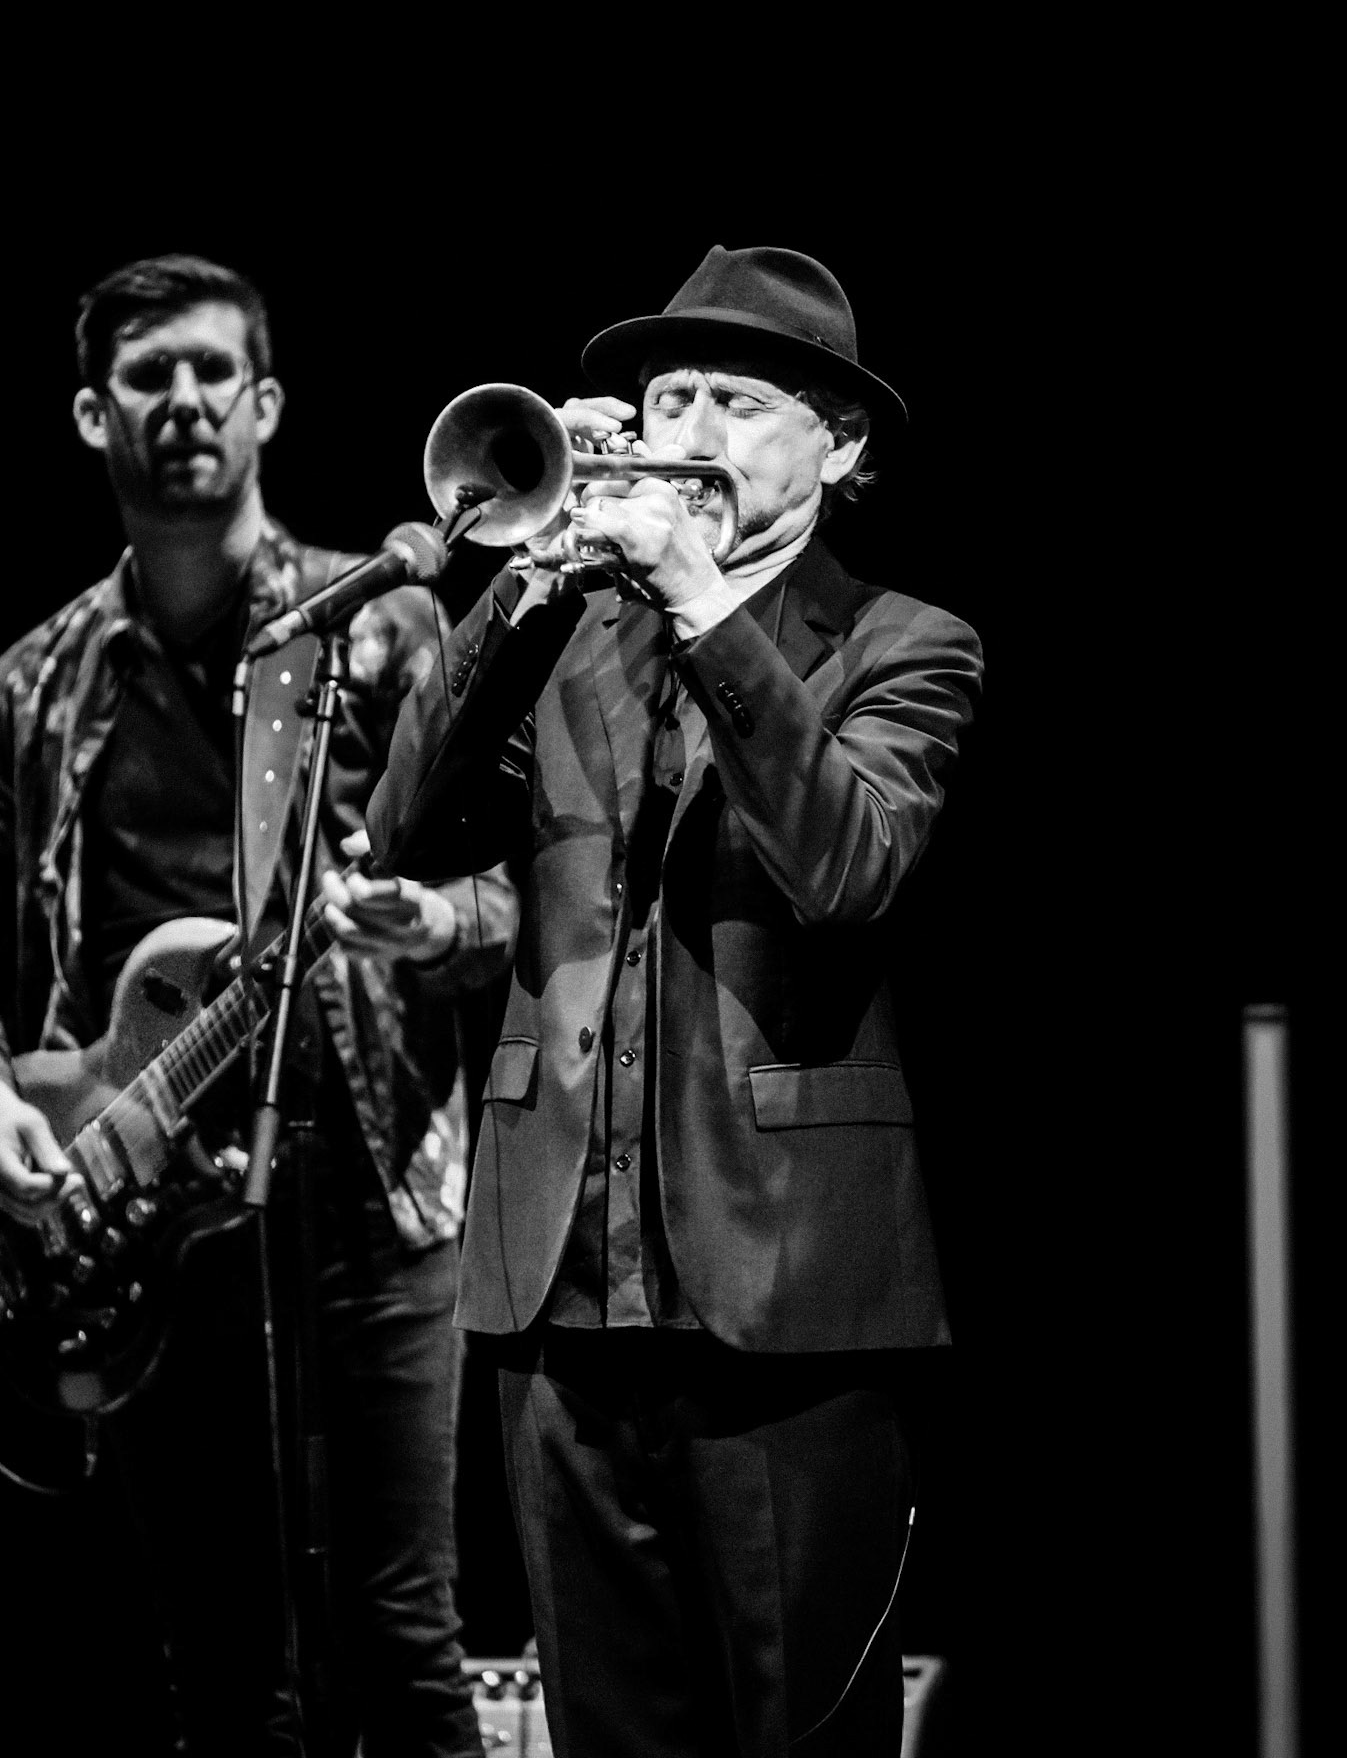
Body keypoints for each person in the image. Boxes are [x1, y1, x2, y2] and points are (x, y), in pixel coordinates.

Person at [363, 243, 984, 1756]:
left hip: (785, 1302)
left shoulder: (905, 642)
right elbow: (405, 831)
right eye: (663, 396)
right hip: (559, 1291)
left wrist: (702, 601)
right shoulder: (566, 640)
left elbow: (843, 867)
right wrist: (522, 587)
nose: (679, 428)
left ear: (836, 448)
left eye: (729, 399)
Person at [0, 254, 514, 1757]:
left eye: (213, 372)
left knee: (405, 1646)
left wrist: (425, 922)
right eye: (147, 378)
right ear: (93, 416)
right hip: (147, 1210)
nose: (184, 404)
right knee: (223, 1669)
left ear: (267, 402)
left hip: (370, 1194)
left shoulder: (384, 633)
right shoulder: (36, 682)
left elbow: (531, 908)